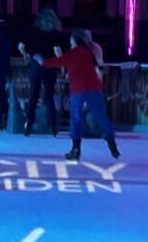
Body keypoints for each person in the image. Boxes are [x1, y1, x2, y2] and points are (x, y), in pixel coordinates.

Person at [42, 29, 120, 162]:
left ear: (73, 41)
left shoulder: (72, 54)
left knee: (76, 120)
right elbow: (99, 66)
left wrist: (42, 61)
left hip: (78, 90)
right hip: (95, 89)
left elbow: (57, 61)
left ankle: (76, 149)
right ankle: (113, 147)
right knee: (102, 118)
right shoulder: (89, 52)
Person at [18, 7, 67, 137]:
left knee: (33, 94)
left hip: (34, 66)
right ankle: (52, 126)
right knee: (48, 95)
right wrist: (62, 67)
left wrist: (25, 55)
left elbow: (20, 46)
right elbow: (57, 52)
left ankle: (28, 123)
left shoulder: (31, 30)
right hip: (49, 66)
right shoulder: (55, 33)